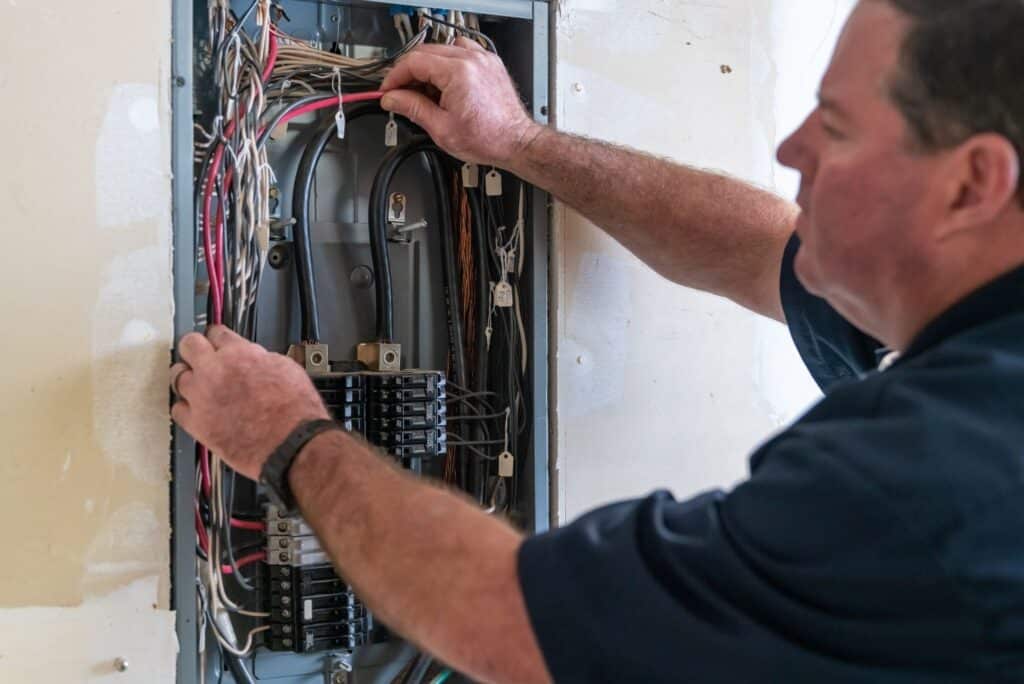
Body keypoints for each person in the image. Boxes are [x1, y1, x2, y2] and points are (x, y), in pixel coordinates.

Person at [170, 1, 1024, 681]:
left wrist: (287, 437)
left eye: (836, 128)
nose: (790, 147)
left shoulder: (933, 476)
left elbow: (512, 623)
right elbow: (762, 250)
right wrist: (518, 142)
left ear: (974, 182)